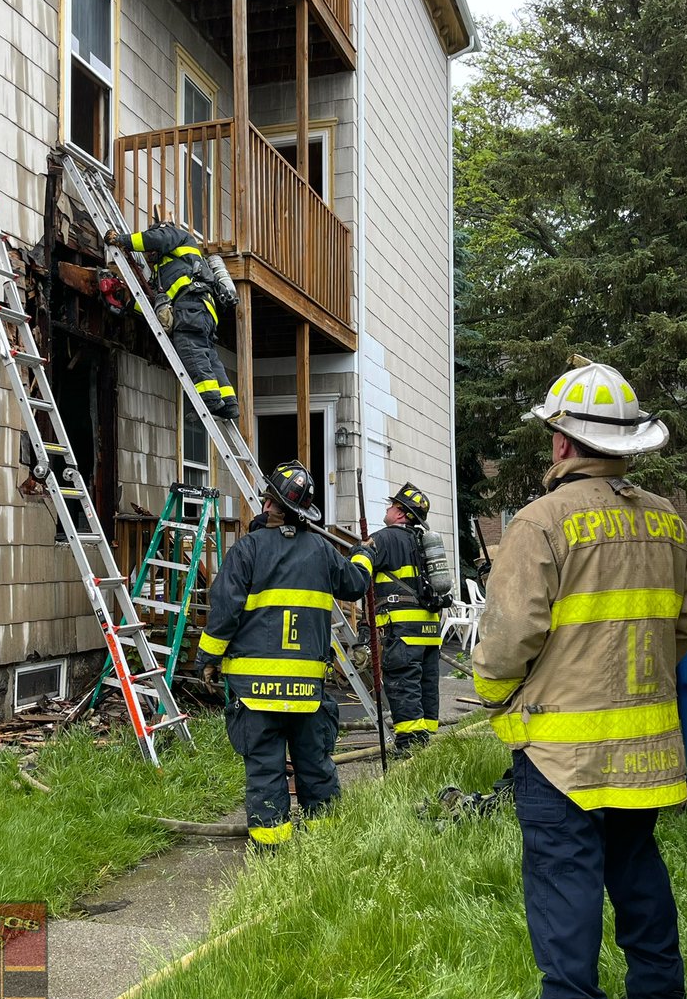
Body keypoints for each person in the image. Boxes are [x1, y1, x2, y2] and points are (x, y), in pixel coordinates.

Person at [471, 359, 687, 999]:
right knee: (637, 871)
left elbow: (510, 637)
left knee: (564, 888)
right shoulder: (670, 526)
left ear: (562, 443)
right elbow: (685, 624)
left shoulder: (541, 523)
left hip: (560, 756)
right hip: (648, 751)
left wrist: (494, 694)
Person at [194, 461, 372, 846]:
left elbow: (224, 611)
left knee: (265, 769)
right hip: (307, 694)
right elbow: (356, 583)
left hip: (256, 692)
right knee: (315, 766)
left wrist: (207, 660)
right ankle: (324, 842)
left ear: (269, 505)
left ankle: (271, 846)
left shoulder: (248, 550)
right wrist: (362, 554)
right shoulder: (323, 552)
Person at [104, 212, 239, 419]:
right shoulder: (169, 268)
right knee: (209, 355)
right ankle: (228, 403)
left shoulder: (177, 236)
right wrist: (128, 303)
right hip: (203, 310)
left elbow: (156, 238)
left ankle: (209, 399)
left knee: (190, 349)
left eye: (151, 251)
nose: (150, 254)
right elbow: (154, 307)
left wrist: (123, 240)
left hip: (191, 306)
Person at [367, 482, 443, 756]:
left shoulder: (385, 538)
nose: (387, 508)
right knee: (426, 685)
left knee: (403, 683)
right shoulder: (424, 541)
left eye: (392, 505)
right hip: (430, 631)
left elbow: (358, 565)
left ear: (400, 514)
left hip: (402, 630)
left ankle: (409, 746)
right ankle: (425, 741)